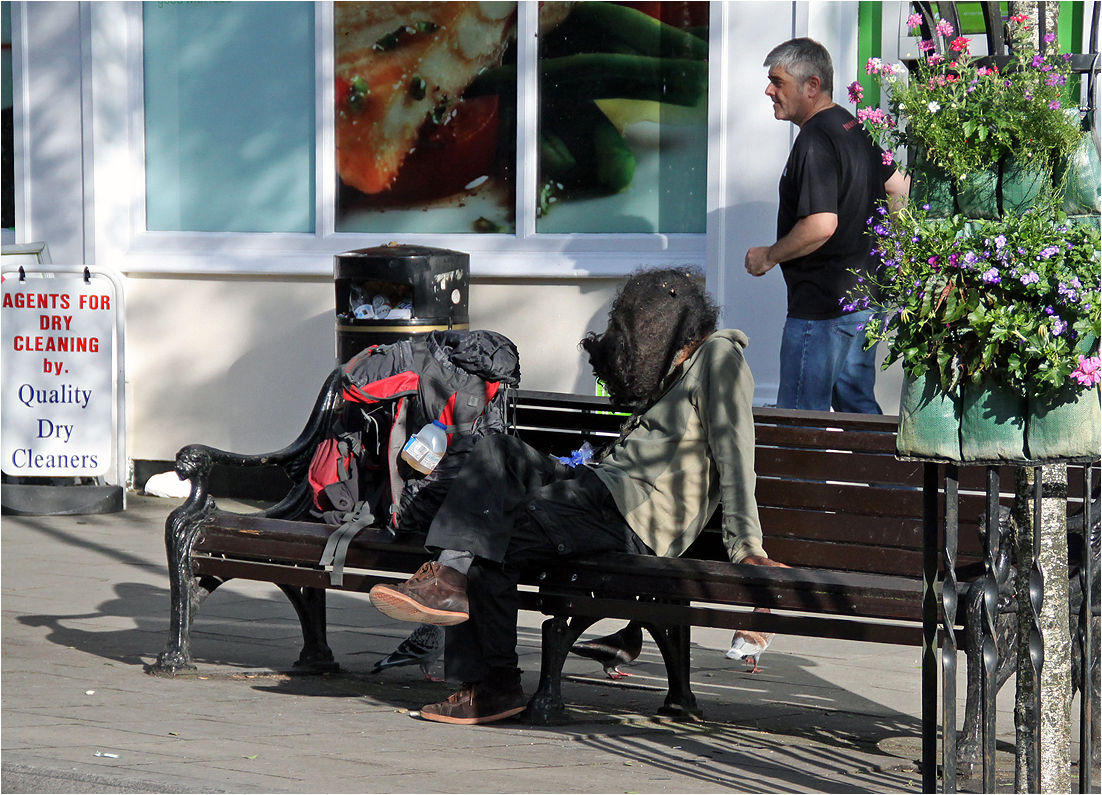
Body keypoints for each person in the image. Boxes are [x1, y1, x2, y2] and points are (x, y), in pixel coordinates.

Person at [368, 266, 784, 725]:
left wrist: (747, 549)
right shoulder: (675, 372)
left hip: (630, 515)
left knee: (495, 535)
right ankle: (448, 579)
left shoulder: (719, 357)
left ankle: (492, 685)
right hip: (596, 489)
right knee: (497, 451)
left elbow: (735, 450)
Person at [745, 38, 910, 414]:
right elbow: (898, 186)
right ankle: (887, 476)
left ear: (812, 85)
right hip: (863, 302)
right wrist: (889, 250)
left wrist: (768, 256)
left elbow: (821, 225)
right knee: (858, 412)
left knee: (801, 422)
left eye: (778, 81)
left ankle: (801, 477)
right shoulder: (853, 126)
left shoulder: (815, 140)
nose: (769, 90)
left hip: (820, 311)